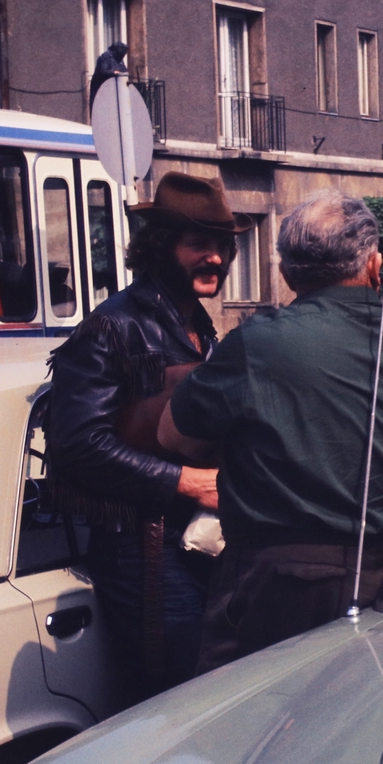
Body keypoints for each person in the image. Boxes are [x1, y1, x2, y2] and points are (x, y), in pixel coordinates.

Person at [161, 193, 383, 671]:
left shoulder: (259, 342)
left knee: (254, 727)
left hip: (278, 590)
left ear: (288, 273)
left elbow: (172, 436)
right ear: (375, 266)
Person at [47, 172, 244, 695]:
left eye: (223, 246)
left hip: (193, 542)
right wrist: (185, 481)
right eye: (198, 244)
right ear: (161, 248)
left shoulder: (197, 324)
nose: (217, 259)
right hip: (143, 549)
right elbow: (76, 443)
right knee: (178, 702)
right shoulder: (114, 325)